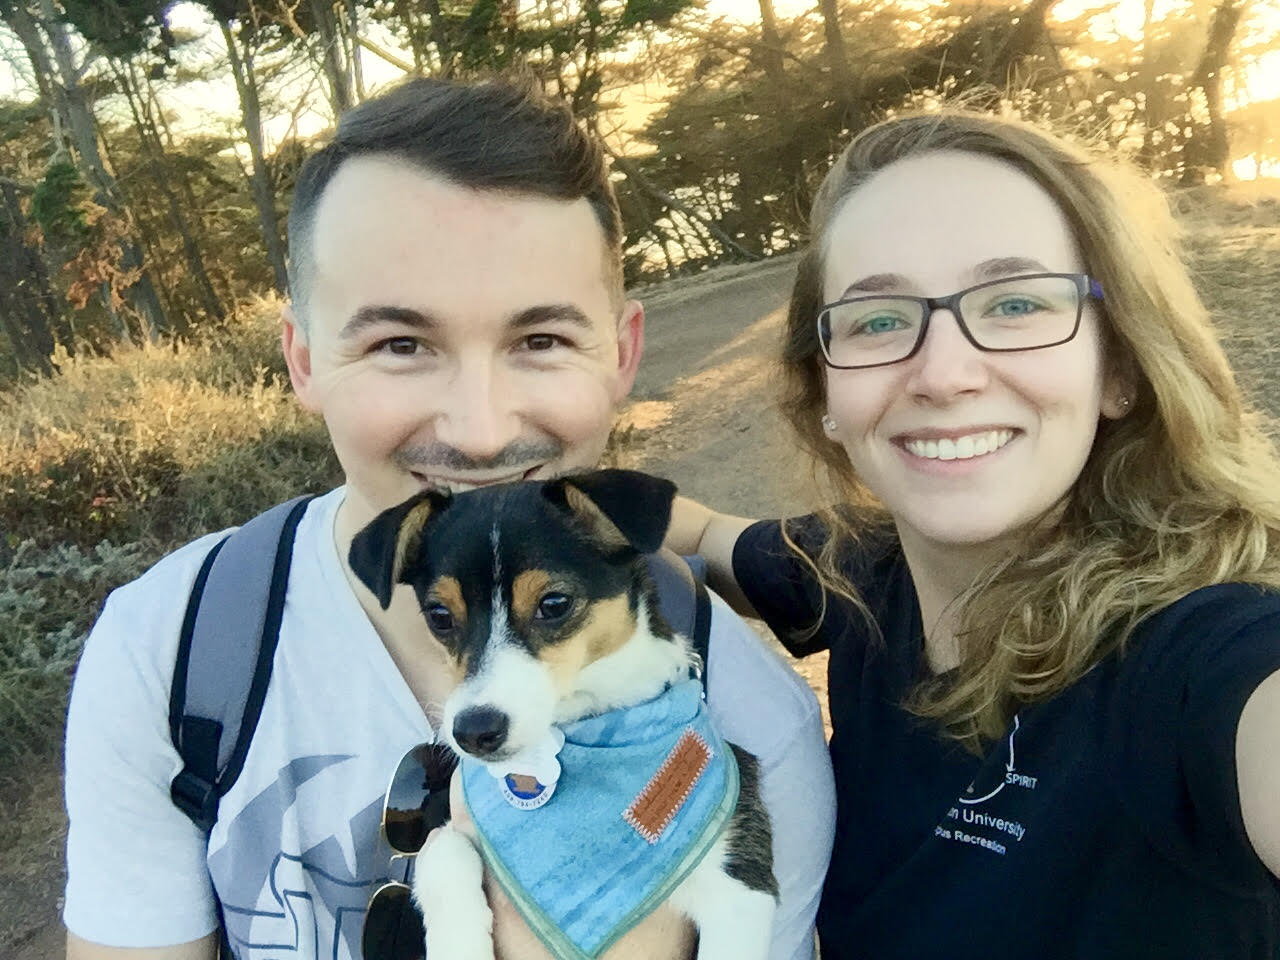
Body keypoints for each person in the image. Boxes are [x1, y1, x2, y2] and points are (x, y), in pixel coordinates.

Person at [61, 77, 835, 960]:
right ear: (304, 360)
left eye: (540, 340)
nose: (481, 431)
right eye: (401, 345)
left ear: (619, 354)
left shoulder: (747, 731)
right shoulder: (174, 651)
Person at [665, 111, 1280, 958]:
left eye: (1017, 303)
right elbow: (695, 531)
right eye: (878, 320)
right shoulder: (862, 575)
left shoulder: (1204, 655)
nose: (945, 374)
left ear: (1120, 370)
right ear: (826, 397)